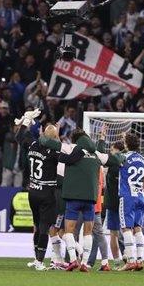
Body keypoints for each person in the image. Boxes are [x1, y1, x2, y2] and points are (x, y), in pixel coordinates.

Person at [36, 118, 125, 273]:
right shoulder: (96, 153)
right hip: (91, 199)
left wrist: (42, 135)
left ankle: (73, 260)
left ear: (75, 140)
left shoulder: (71, 149)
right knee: (89, 232)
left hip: (72, 197)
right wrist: (123, 155)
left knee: (69, 231)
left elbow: (50, 143)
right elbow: (115, 160)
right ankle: (85, 263)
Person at [16, 110, 83, 271]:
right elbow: (72, 158)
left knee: (37, 226)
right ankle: (40, 262)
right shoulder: (53, 152)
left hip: (32, 191)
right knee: (45, 228)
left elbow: (21, 136)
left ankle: (36, 259)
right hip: (47, 193)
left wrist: (26, 120)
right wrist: (82, 150)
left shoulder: (32, 144)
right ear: (53, 138)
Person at [118, 132, 144, 272]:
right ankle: (140, 260)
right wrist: (139, 191)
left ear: (126, 144)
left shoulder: (122, 158)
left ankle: (130, 261)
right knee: (137, 227)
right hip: (140, 196)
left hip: (127, 196)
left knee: (126, 228)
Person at [104, 140, 126, 267]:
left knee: (113, 233)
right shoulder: (126, 164)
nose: (110, 153)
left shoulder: (111, 164)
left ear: (117, 151)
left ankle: (117, 262)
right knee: (127, 230)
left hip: (112, 202)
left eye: (112, 150)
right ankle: (129, 257)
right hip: (124, 200)